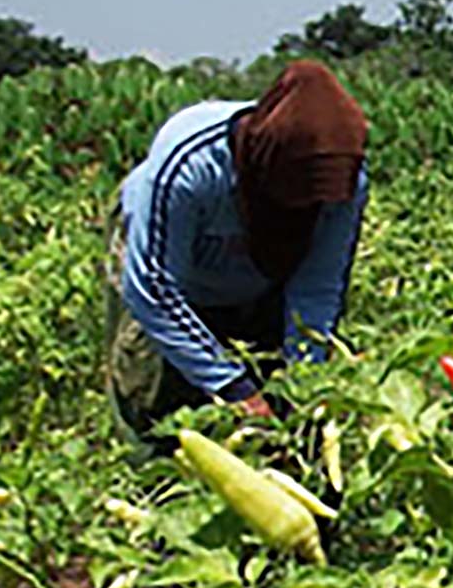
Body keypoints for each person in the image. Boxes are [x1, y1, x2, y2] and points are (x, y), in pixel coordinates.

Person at [103, 61, 369, 458]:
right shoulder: (189, 166)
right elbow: (154, 290)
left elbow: (316, 289)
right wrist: (234, 388)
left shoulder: (343, 183)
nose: (312, 208)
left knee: (278, 431)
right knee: (157, 409)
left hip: (259, 275)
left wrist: (303, 385)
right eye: (300, 197)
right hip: (172, 274)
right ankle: (153, 493)